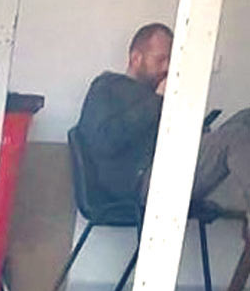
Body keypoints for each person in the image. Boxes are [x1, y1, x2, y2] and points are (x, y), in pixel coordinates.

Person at [75, 22, 250, 218]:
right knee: (235, 137)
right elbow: (105, 141)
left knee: (246, 118)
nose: (167, 67)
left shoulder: (156, 95)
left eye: (171, 60)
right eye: (160, 59)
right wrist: (157, 100)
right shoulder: (107, 87)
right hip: (140, 182)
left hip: (172, 165)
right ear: (136, 58)